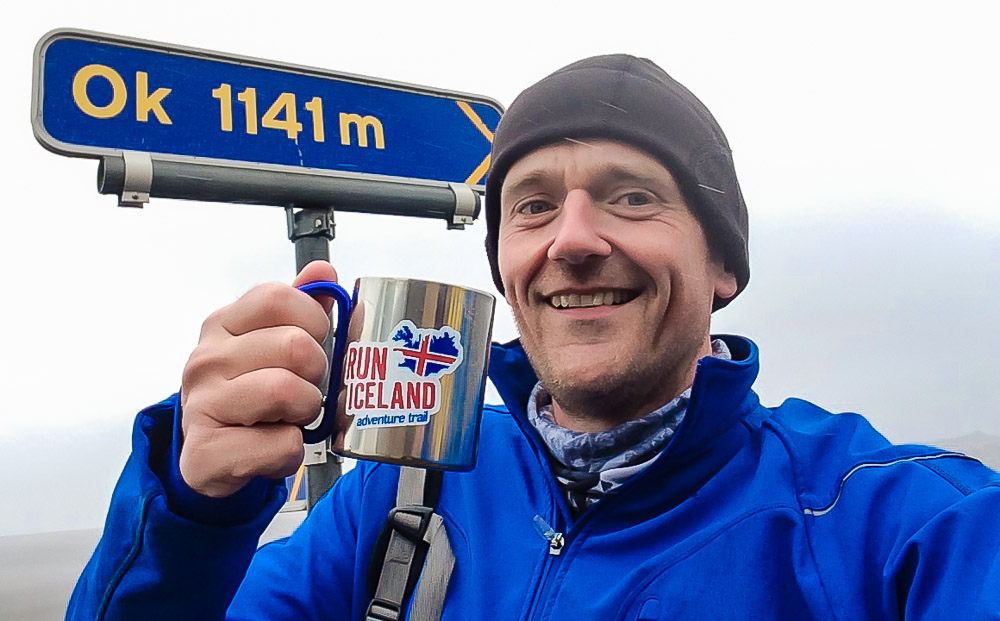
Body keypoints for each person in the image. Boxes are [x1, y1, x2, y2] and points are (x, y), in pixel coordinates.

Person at [68, 55, 1000, 620]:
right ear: (508, 268)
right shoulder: (396, 497)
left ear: (723, 265)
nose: (575, 238)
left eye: (632, 196)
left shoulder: (892, 525)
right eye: (534, 206)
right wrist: (194, 510)